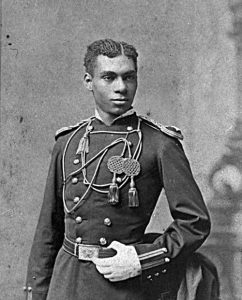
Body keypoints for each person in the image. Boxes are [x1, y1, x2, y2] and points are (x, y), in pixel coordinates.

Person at [24, 38, 211, 300]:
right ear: (89, 82)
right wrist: (37, 294)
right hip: (65, 284)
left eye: (129, 77)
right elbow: (48, 230)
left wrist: (141, 259)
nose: (121, 87)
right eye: (109, 78)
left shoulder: (159, 144)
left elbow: (195, 223)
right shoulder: (67, 143)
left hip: (121, 284)